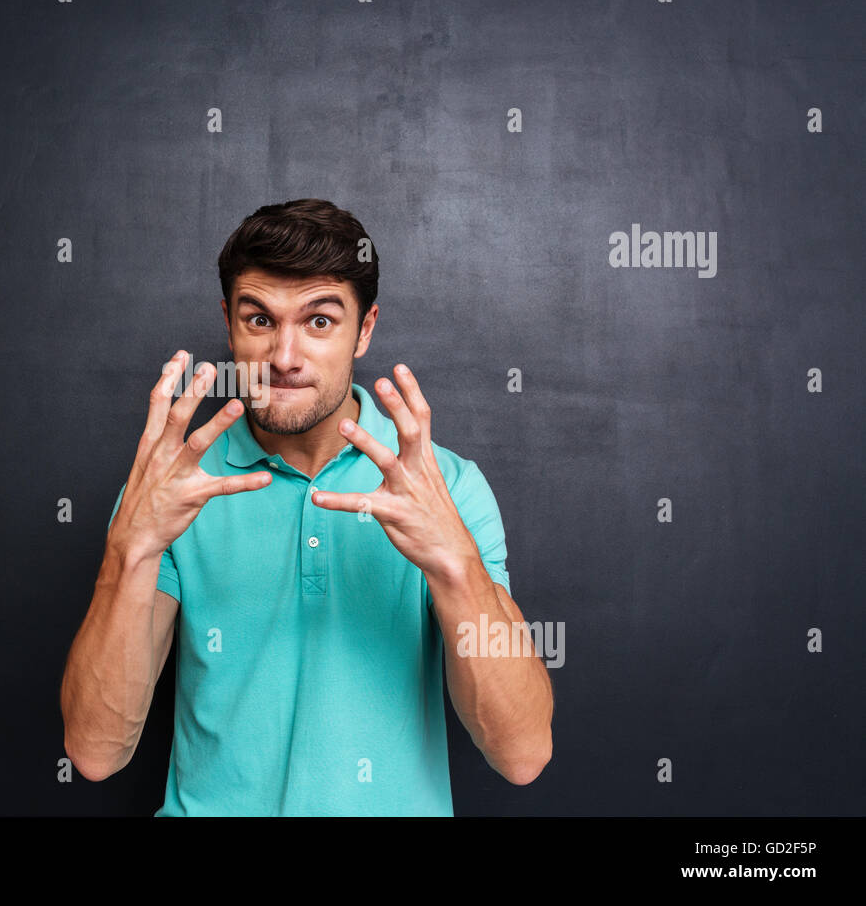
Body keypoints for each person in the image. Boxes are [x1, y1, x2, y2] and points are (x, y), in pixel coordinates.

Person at [61, 198, 553, 815]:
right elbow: (94, 751)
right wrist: (128, 551)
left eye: (319, 321)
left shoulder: (447, 488)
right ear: (229, 323)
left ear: (365, 329)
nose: (285, 357)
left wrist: (455, 564)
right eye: (259, 320)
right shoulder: (172, 489)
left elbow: (524, 753)